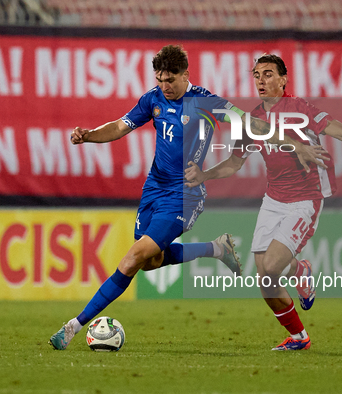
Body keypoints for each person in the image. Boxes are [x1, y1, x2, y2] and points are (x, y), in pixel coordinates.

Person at [49, 45, 327, 350]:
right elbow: (120, 125)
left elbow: (251, 123)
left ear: (186, 75)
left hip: (184, 196)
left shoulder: (203, 102)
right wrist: (89, 135)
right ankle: (217, 249)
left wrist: (294, 144)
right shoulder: (152, 99)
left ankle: (73, 326)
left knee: (132, 258)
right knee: (150, 262)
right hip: (154, 190)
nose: (165, 86)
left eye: (170, 80)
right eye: (160, 80)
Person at [185, 54, 342, 351]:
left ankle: (298, 271)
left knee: (271, 267)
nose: (261, 80)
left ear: (284, 79)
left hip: (305, 199)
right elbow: (235, 163)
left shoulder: (301, 110)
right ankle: (299, 336)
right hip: (273, 199)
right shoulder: (252, 121)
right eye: (257, 74)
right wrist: (204, 175)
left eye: (268, 74)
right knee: (264, 279)